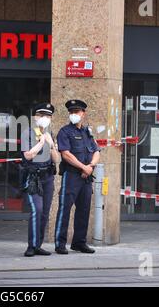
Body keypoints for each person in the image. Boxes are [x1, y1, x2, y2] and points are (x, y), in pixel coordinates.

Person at [54, 99, 101, 254]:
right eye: (71, 112)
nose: (74, 114)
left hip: (86, 177)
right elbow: (66, 154)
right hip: (72, 176)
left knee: (84, 210)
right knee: (64, 209)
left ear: (83, 114)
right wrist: (84, 167)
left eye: (77, 112)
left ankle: (79, 242)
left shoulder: (88, 132)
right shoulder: (65, 132)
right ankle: (60, 244)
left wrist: (91, 167)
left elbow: (96, 151)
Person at [20, 103, 61, 257]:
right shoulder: (28, 133)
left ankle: (38, 245)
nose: (45, 118)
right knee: (36, 210)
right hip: (33, 177)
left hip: (48, 177)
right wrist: (42, 142)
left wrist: (51, 146)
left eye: (48, 116)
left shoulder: (51, 133)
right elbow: (28, 155)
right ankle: (31, 246)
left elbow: (56, 159)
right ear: (35, 117)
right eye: (41, 115)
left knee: (44, 212)